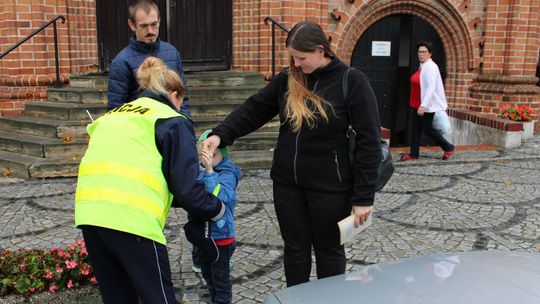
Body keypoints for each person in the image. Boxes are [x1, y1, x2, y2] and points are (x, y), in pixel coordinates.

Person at [199, 21, 381, 287]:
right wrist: (220, 134)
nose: (296, 64)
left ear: (321, 51)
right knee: (295, 250)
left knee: (329, 251)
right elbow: (255, 109)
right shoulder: (289, 78)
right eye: (293, 57)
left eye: (301, 58)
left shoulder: (351, 81)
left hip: (331, 189)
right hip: (287, 184)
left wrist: (364, 196)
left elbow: (369, 142)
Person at [74, 56, 226, 303]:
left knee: (118, 298)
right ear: (175, 94)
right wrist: (216, 208)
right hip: (133, 221)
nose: (181, 107)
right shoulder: (173, 120)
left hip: (90, 216)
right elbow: (186, 189)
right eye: (182, 101)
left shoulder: (113, 116)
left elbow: (136, 172)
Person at [184, 129, 241, 304]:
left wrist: (209, 171)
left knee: (221, 279)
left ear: (222, 154)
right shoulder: (200, 171)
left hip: (221, 237)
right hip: (204, 236)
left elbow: (222, 198)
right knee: (207, 274)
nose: (206, 158)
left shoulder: (227, 174)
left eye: (212, 154)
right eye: (203, 154)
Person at [107, 0, 190, 117]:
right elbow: (115, 109)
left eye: (154, 24)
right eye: (144, 26)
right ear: (132, 25)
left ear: (159, 21)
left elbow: (182, 96)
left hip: (172, 128)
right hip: (141, 131)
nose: (150, 31)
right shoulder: (121, 62)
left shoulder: (172, 53)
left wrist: (186, 124)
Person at [400, 41, 454, 161]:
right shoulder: (423, 66)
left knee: (427, 128)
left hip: (425, 105)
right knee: (415, 130)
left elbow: (431, 88)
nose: (421, 54)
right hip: (416, 103)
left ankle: (448, 147)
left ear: (430, 54)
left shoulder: (430, 67)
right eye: (419, 52)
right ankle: (414, 154)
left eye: (424, 52)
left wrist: (423, 106)